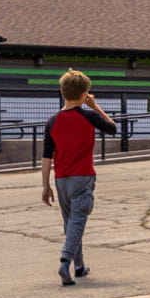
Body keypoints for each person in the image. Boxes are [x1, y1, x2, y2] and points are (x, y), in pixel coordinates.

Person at [40, 69, 118, 285]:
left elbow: (47, 157)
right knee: (77, 222)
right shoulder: (89, 115)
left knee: (71, 223)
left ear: (63, 92)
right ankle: (65, 262)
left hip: (61, 179)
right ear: (85, 94)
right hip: (82, 177)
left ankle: (79, 266)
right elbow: (112, 128)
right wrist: (95, 106)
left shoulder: (52, 121)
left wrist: (46, 186)